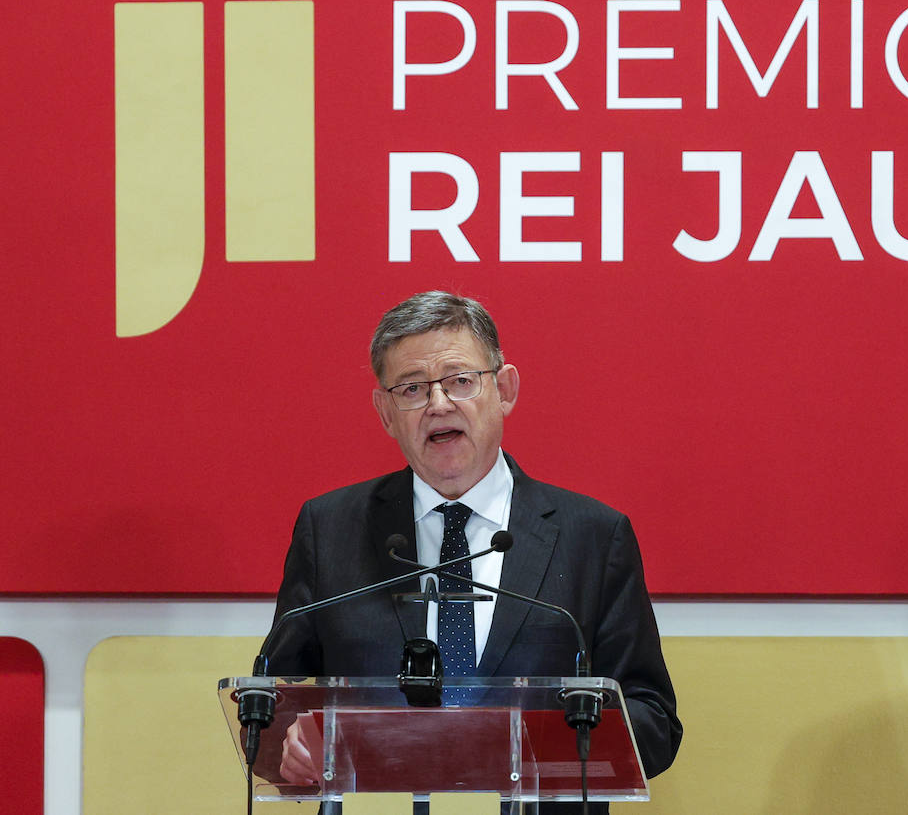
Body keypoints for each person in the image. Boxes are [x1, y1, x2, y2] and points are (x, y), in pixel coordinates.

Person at [261, 291, 681, 813]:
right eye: (411, 389)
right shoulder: (330, 529)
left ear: (504, 389)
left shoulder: (593, 536)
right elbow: (270, 702)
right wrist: (288, 744)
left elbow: (654, 721)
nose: (438, 404)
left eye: (461, 381)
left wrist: (528, 739)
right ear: (386, 412)